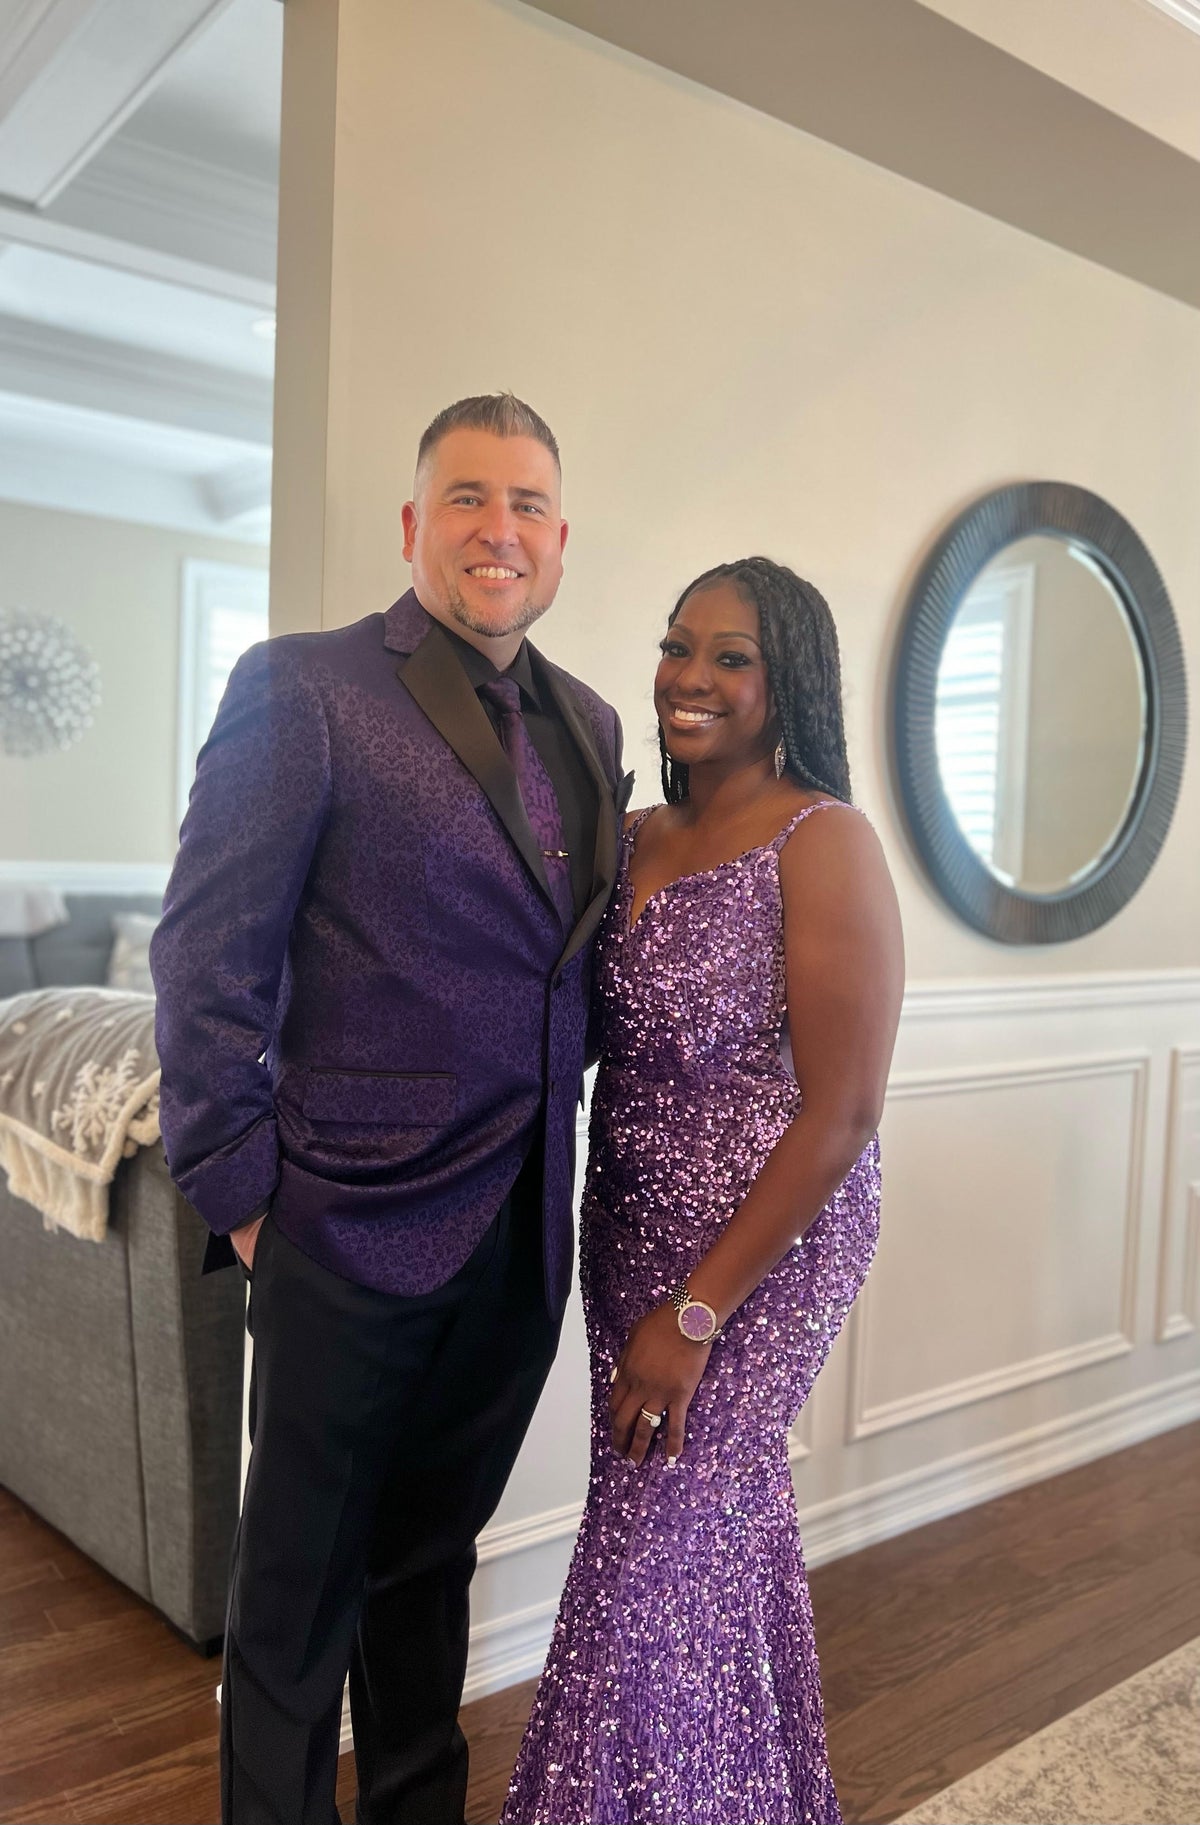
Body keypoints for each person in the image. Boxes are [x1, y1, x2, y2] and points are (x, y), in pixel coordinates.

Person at [150, 393, 629, 1825]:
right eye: (469, 497)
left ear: (560, 539)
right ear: (417, 524)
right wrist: (244, 1196)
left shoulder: (593, 720)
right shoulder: (303, 688)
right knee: (296, 1599)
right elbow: (206, 953)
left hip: (521, 1229)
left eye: (528, 503)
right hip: (342, 1226)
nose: (500, 529)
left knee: (428, 1571)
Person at [502, 556, 905, 1825]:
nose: (690, 676)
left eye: (732, 657)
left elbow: (843, 1113)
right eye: (680, 646)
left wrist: (696, 1313)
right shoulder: (629, 835)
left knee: (649, 1569)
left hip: (761, 1253)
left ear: (789, 685)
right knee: (707, 1543)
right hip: (627, 1228)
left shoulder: (823, 840)